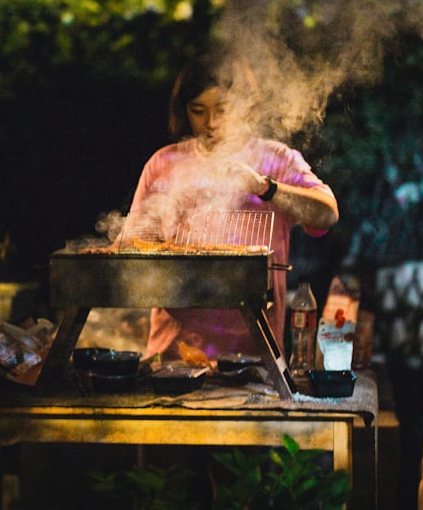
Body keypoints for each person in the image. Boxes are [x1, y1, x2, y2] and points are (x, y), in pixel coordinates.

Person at [127, 53, 339, 360]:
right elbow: (133, 248)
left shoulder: (275, 159)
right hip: (172, 357)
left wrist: (264, 187)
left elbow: (327, 214)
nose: (211, 123)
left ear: (245, 107)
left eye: (223, 110)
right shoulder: (163, 163)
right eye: (198, 111)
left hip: (254, 358)